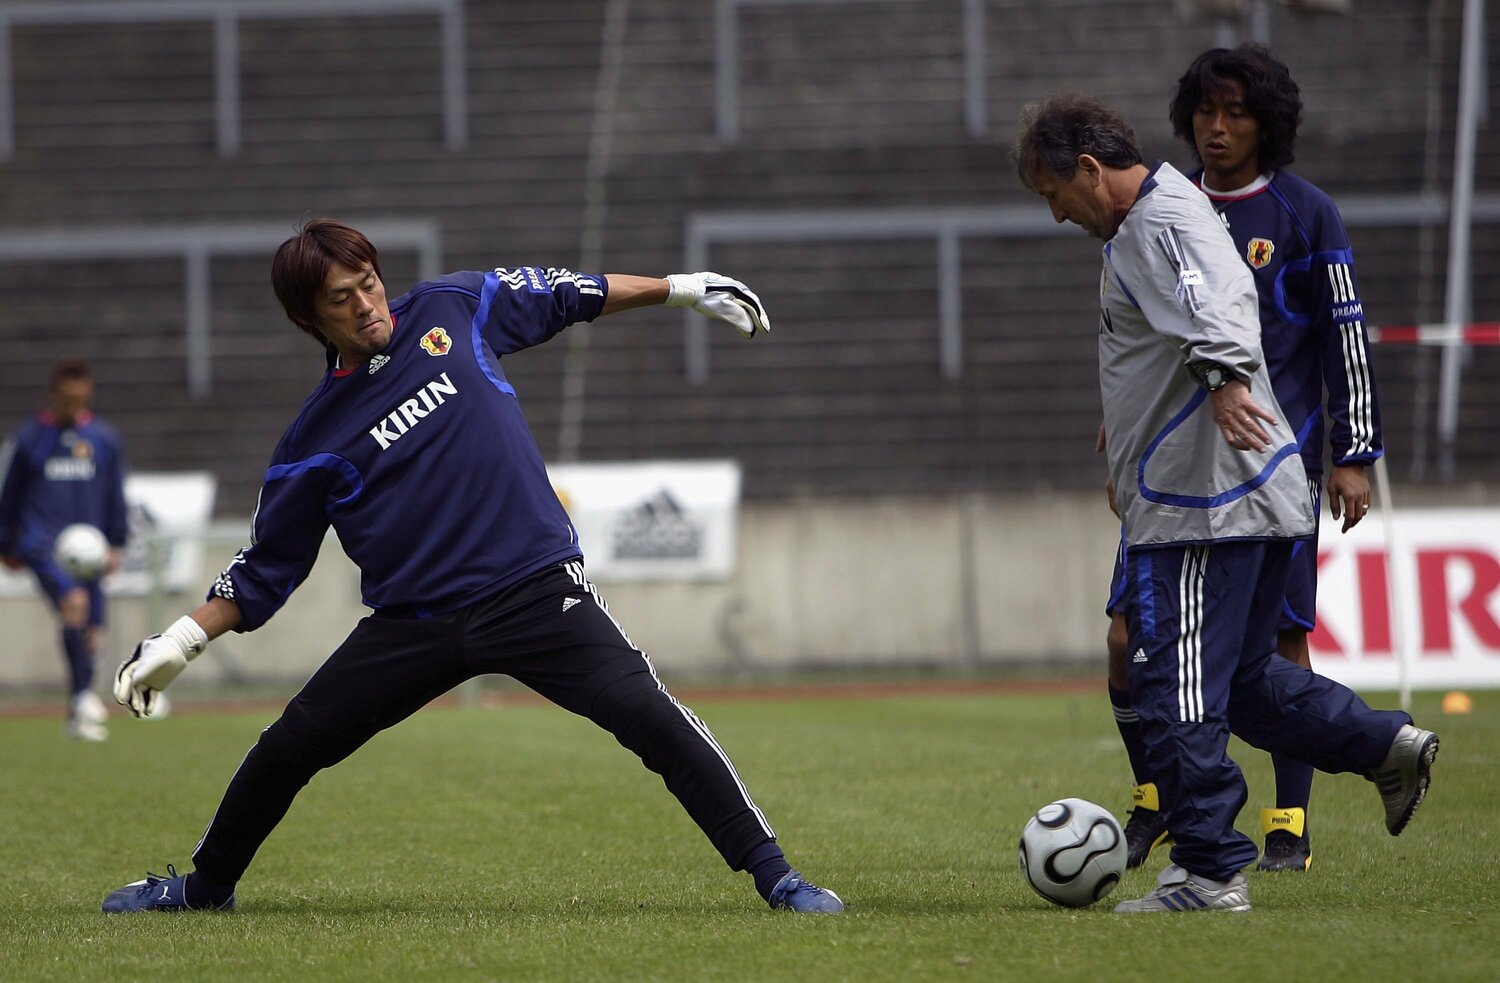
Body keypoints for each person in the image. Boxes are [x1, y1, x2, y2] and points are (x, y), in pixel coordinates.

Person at [100, 218, 842, 915]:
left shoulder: (451, 308)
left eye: (369, 283)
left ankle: (779, 878)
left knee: (653, 717)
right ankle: (203, 890)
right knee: (288, 748)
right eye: (340, 298)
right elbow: (266, 570)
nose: (365, 305)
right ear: (308, 317)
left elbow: (570, 294)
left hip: (537, 593)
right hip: (413, 626)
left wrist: (679, 289)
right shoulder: (312, 441)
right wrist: (180, 641)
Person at [1015, 95, 1436, 913]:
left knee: (1174, 681)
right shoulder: (1167, 214)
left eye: (1054, 194)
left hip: (1207, 505)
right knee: (1242, 684)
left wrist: (1222, 378)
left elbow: (1218, 303)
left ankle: (1209, 871)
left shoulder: (1159, 222)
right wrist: (1129, 424)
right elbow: (1179, 323)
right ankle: (1386, 744)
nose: (1057, 215)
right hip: (1232, 494)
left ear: (1090, 170)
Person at [1107, 44, 1385, 874]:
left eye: (1236, 113)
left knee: (1279, 641)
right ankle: (1157, 797)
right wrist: (1117, 423)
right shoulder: (1164, 208)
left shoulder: (1306, 213)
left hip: (1273, 467)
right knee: (1126, 638)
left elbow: (1344, 336)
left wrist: (1354, 453)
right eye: (1205, 111)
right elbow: (1139, 333)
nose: (1218, 127)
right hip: (1171, 470)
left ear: (1268, 124)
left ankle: (1287, 822)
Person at [0, 358, 129, 742]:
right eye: (68, 399)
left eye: (82, 399)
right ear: (54, 395)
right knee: (74, 603)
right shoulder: (28, 440)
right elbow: (9, 496)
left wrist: (115, 542)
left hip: (90, 548)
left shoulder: (103, 439)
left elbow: (115, 493)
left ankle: (78, 709)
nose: (75, 407)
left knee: (92, 631)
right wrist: (6, 543)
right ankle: (82, 698)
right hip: (44, 545)